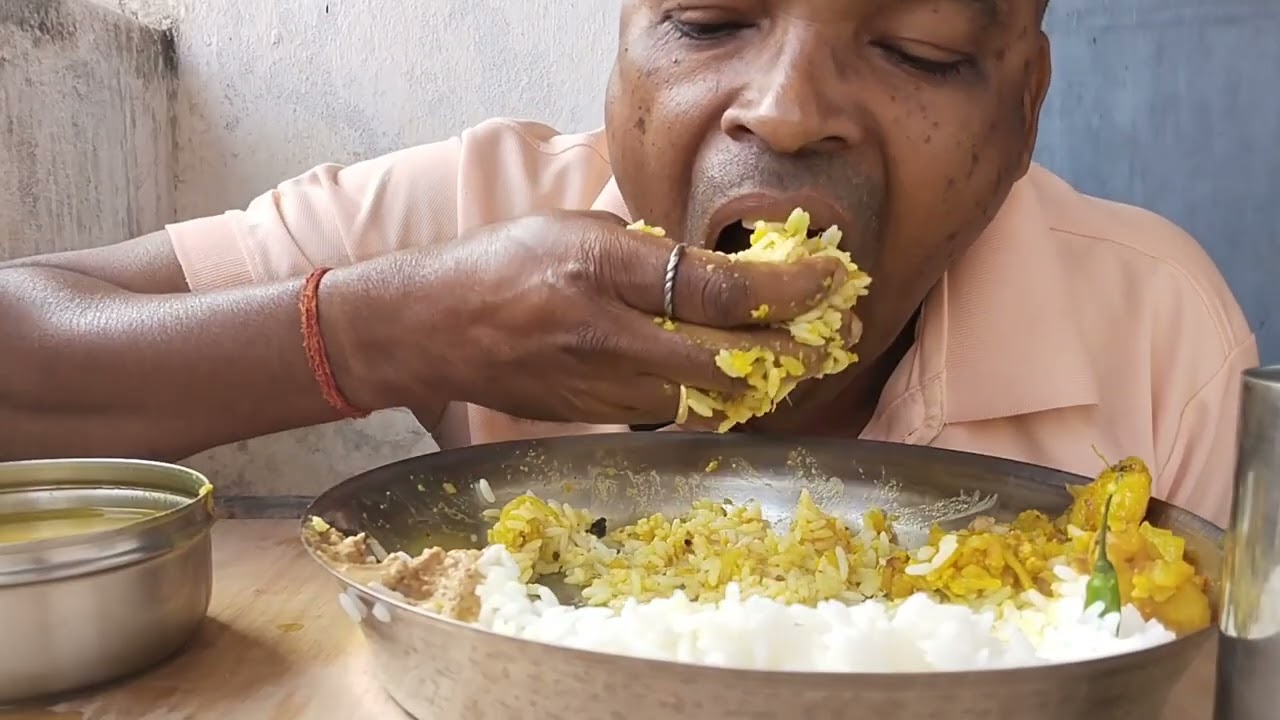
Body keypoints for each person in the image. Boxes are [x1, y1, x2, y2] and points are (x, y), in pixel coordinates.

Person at [0, 0, 1258, 527]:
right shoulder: (479, 211)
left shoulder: (1156, 335)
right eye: (708, 21)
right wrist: (388, 331)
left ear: (1023, 108)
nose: (783, 109)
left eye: (920, 49)